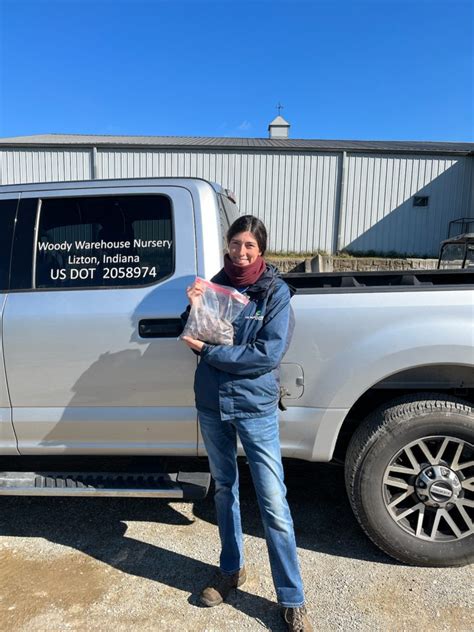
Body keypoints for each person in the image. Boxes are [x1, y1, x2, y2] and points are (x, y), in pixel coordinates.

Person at [180, 215, 312, 632]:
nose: (241, 252)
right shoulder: (215, 286)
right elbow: (198, 332)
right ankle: (230, 570)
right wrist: (194, 304)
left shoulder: (275, 293)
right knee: (224, 490)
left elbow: (266, 355)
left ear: (261, 250)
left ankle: (292, 598)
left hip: (255, 408)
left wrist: (210, 353)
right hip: (211, 404)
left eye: (249, 246)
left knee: (273, 502)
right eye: (235, 244)